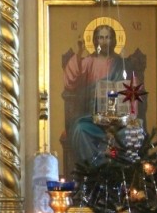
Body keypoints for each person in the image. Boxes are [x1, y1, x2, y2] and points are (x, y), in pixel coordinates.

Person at [61, 22, 143, 169]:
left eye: (108, 37)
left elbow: (133, 88)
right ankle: (95, 170)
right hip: (93, 118)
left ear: (114, 40)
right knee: (80, 129)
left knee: (131, 133)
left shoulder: (122, 64)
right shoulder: (89, 61)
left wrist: (129, 96)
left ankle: (120, 173)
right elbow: (70, 80)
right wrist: (80, 52)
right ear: (95, 40)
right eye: (101, 37)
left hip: (119, 120)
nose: (104, 41)